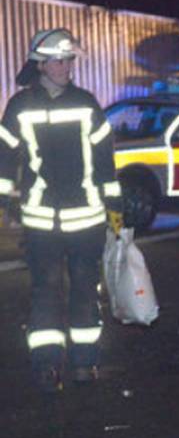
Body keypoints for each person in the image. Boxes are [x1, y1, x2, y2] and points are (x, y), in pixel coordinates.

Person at [0, 29, 123, 392]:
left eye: (69, 60)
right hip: (42, 222)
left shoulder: (86, 103)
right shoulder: (20, 106)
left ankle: (85, 364)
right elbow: (4, 160)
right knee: (45, 292)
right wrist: (2, 200)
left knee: (85, 289)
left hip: (86, 219)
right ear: (40, 64)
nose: (66, 67)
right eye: (58, 61)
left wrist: (114, 205)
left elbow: (105, 161)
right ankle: (47, 366)